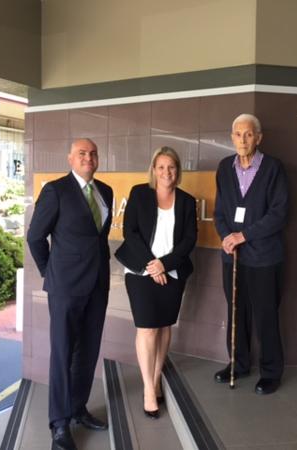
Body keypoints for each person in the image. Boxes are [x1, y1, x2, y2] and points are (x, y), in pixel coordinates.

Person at [27, 138, 113, 450]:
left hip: (97, 284)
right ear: (70, 158)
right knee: (63, 353)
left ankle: (78, 408)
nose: (88, 158)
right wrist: (49, 272)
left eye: (92, 153)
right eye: (82, 153)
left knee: (88, 351)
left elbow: (98, 239)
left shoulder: (105, 191)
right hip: (65, 286)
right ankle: (60, 425)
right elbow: (35, 236)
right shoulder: (56, 190)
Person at [115, 146, 197, 418]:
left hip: (172, 273)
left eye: (171, 167)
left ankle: (157, 376)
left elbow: (189, 240)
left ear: (177, 171)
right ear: (153, 169)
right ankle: (148, 389)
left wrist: (166, 264)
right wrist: (153, 264)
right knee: (147, 329)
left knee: (163, 327)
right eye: (161, 167)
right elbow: (131, 231)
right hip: (140, 271)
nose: (166, 172)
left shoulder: (186, 200)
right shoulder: (140, 193)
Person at [213, 113, 288, 395]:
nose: (242, 140)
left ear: (258, 138)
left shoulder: (273, 168)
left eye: (248, 134)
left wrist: (243, 235)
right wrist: (227, 238)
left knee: (266, 314)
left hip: (266, 257)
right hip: (233, 256)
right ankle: (238, 363)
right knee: (236, 311)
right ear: (231, 137)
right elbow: (219, 211)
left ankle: (271, 372)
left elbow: (279, 214)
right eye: (237, 134)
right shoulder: (224, 168)